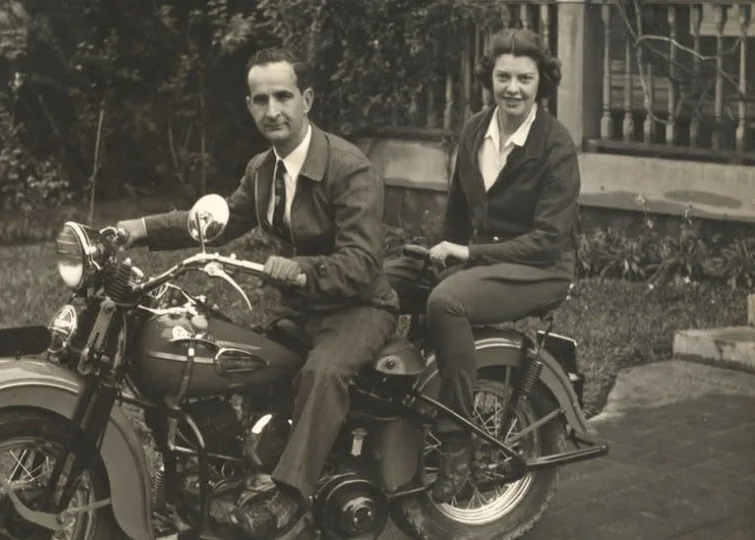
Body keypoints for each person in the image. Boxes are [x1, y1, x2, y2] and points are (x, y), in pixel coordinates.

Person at [115, 47, 399, 537]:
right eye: (261, 99)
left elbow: (363, 263)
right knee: (230, 361)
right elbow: (215, 222)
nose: (273, 110)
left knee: (322, 373)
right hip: (303, 310)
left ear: (306, 99)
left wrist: (302, 269)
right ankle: (221, 474)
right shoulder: (262, 171)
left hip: (359, 308)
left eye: (283, 96)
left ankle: (289, 496)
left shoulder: (349, 168)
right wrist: (137, 229)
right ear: (249, 106)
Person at [385, 28, 580, 502]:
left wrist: (468, 256)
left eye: (525, 78)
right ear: (489, 77)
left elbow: (548, 242)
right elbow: (456, 216)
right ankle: (385, 406)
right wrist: (437, 253)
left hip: (542, 269)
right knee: (383, 279)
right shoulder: (475, 129)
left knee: (448, 302)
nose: (512, 87)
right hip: (484, 260)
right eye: (503, 76)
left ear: (542, 83)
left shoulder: (555, 144)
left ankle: (456, 442)